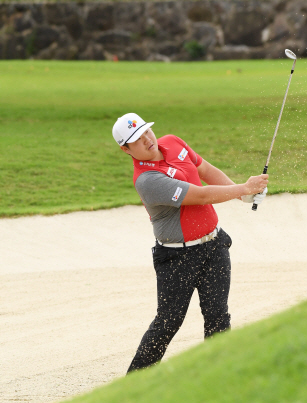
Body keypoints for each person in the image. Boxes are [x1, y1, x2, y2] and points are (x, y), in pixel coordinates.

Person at [112, 112, 268, 373]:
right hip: (177, 259)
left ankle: (219, 376)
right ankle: (133, 385)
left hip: (214, 246)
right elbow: (201, 195)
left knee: (218, 316)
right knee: (168, 323)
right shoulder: (147, 180)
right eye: (137, 139)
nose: (147, 139)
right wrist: (244, 188)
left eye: (146, 132)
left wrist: (243, 196)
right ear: (125, 149)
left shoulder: (173, 142)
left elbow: (205, 170)